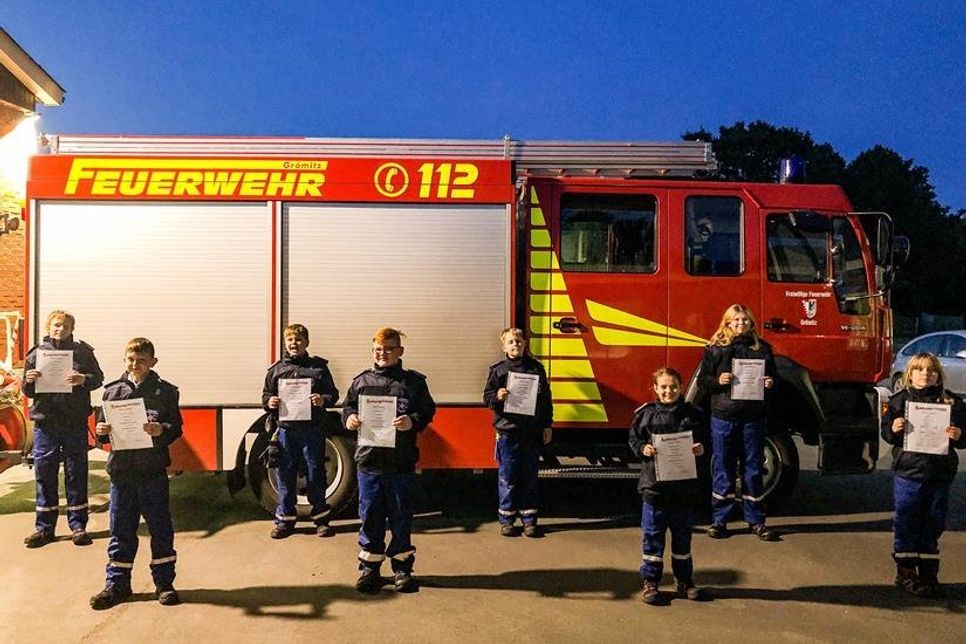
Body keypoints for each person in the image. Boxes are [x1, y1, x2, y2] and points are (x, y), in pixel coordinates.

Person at [89, 337, 183, 609]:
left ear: (153, 362)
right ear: (124, 360)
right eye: (131, 359)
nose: (135, 364)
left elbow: (177, 427)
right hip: (122, 473)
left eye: (141, 360)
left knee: (160, 528)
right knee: (120, 530)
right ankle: (117, 585)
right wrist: (102, 433)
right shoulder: (111, 392)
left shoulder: (165, 392)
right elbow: (101, 437)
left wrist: (161, 429)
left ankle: (164, 583)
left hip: (152, 471)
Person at [343, 327, 436, 594]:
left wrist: (413, 421)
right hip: (369, 463)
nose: (382, 354)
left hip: (400, 463)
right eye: (378, 350)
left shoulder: (413, 383)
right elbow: (348, 407)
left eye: (389, 349)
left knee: (401, 517)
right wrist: (348, 419)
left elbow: (428, 410)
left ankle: (402, 569)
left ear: (400, 351)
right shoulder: (361, 382)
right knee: (370, 516)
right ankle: (370, 569)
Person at [881, 352, 966, 598]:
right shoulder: (899, 401)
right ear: (910, 373)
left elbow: (965, 436)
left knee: (933, 523)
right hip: (909, 473)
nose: (925, 374)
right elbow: (887, 432)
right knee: (907, 522)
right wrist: (894, 429)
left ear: (938, 375)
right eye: (919, 369)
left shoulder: (952, 403)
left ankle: (929, 573)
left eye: (930, 370)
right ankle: (906, 573)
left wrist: (959, 434)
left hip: (940, 474)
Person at [22, 310, 104, 548]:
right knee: (44, 473)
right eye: (57, 325)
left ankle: (78, 526)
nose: (61, 329)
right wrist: (29, 379)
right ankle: (44, 528)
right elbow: (27, 391)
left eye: (66, 326)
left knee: (75, 472)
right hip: (46, 423)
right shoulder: (36, 354)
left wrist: (83, 380)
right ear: (49, 327)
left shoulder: (82, 353)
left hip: (74, 422)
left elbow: (98, 378)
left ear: (72, 329)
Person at [698, 303, 779, 541]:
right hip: (723, 417)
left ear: (751, 323)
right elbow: (703, 381)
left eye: (744, 320)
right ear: (727, 323)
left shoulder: (763, 349)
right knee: (723, 468)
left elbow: (774, 379)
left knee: (753, 470)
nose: (740, 324)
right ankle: (720, 521)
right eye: (736, 320)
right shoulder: (715, 349)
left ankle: (756, 521)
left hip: (753, 418)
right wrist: (718, 380)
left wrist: (770, 383)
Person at [629, 367, 707, 604]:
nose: (668, 391)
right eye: (663, 387)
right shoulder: (645, 414)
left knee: (682, 537)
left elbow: (707, 439)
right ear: (655, 389)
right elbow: (633, 439)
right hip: (654, 488)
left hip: (683, 488)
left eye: (673, 386)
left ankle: (684, 581)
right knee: (653, 537)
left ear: (681, 387)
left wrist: (701, 449)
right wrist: (643, 449)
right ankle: (651, 582)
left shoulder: (693, 414)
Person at [262, 323, 340, 538]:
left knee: (316, 474)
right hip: (286, 431)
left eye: (298, 340)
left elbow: (334, 394)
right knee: (285, 476)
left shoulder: (319, 368)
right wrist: (271, 402)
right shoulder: (276, 370)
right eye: (290, 340)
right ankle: (285, 521)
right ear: (285, 343)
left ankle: (321, 520)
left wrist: (323, 398)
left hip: (312, 430)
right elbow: (265, 395)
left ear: (306, 342)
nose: (294, 344)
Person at [483, 327, 552, 537]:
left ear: (525, 344)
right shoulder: (498, 371)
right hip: (507, 432)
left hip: (531, 431)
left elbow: (545, 401)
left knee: (530, 476)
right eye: (511, 342)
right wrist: (498, 396)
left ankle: (529, 520)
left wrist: (547, 425)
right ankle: (507, 520)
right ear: (504, 346)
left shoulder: (537, 370)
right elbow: (487, 397)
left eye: (519, 341)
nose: (516, 345)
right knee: (508, 476)